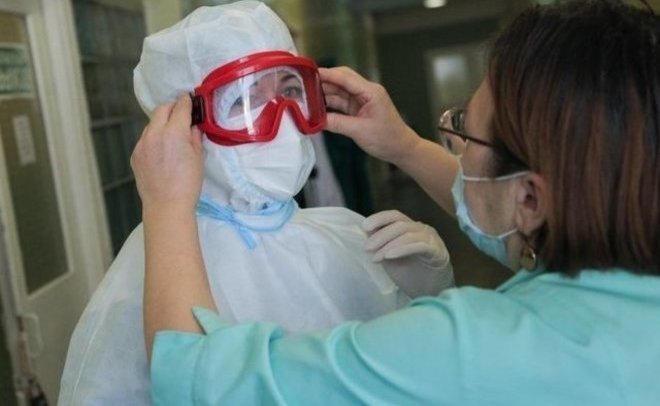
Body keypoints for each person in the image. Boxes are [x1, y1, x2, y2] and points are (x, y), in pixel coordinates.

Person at [132, 0, 660, 404]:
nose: (453, 146)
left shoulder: (471, 349)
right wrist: (404, 146)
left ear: (530, 197)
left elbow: (200, 379)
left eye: (463, 132)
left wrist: (165, 207)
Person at [58, 2, 453, 404]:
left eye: (290, 91)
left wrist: (427, 296)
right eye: (244, 100)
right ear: (183, 124)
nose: (281, 117)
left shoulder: (345, 233)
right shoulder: (150, 274)